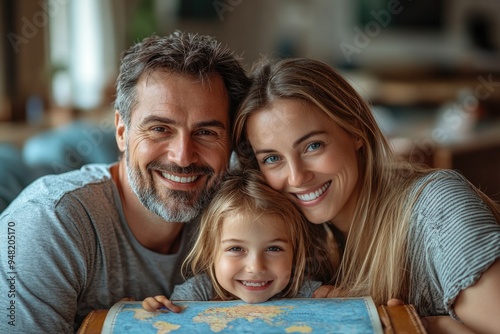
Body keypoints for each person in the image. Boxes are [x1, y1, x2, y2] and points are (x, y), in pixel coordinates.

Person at [0, 31, 250, 333]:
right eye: (160, 128)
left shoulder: (242, 211)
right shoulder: (48, 225)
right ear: (121, 132)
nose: (183, 156)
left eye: (206, 132)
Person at [233, 57, 500, 334]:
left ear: (355, 129)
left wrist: (429, 326)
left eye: (313, 146)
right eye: (272, 158)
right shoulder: (296, 241)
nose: (297, 177)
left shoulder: (438, 208)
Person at [142, 169, 328, 312]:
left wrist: (339, 298)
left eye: (274, 249)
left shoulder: (306, 293)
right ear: (210, 252)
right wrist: (155, 312)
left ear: (295, 252)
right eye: (236, 249)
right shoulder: (194, 296)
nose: (256, 267)